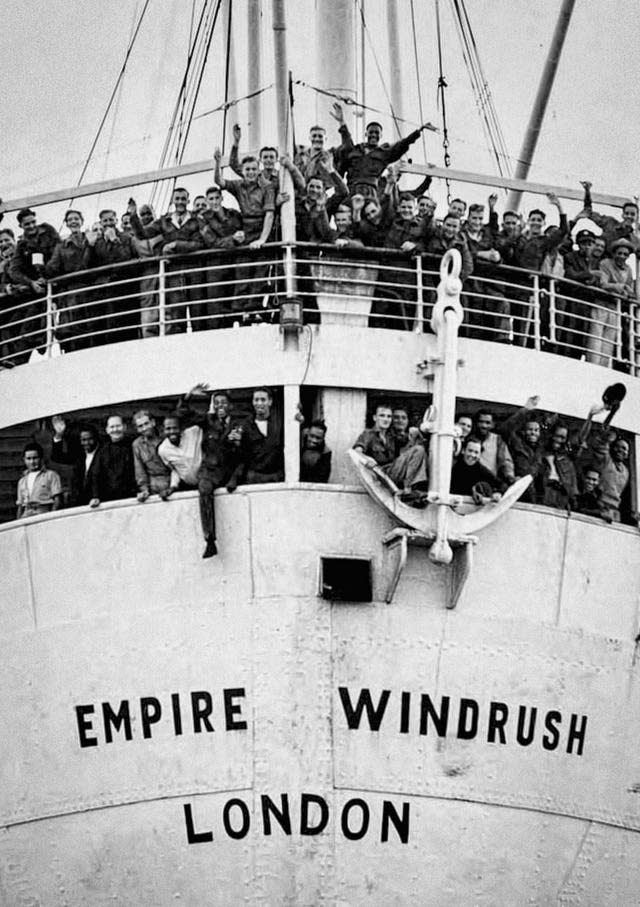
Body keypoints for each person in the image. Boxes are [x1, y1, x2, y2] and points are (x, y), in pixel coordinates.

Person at [176, 384, 244, 558]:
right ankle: (210, 540)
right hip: (210, 470)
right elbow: (184, 414)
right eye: (217, 403)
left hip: (229, 471)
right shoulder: (208, 421)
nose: (220, 406)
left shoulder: (240, 423)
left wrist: (237, 443)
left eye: (224, 403)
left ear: (230, 406)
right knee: (204, 489)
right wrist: (188, 397)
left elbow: (245, 451)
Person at [129, 189, 204, 332]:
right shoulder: (164, 221)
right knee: (176, 316)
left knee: (198, 313)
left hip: (195, 271)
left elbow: (200, 244)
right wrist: (133, 216)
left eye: (183, 199)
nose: (180, 202)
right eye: (177, 199)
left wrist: (176, 245)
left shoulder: (197, 220)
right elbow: (142, 234)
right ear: (173, 201)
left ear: (188, 201)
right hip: (173, 273)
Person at [214, 148, 276, 317]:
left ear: (258, 170)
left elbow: (269, 214)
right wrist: (218, 162)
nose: (250, 172)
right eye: (247, 169)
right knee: (242, 269)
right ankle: (239, 310)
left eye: (254, 169)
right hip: (246, 229)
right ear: (243, 171)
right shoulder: (238, 185)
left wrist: (262, 239)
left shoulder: (267, 187)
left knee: (260, 272)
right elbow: (219, 182)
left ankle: (253, 309)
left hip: (262, 228)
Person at [8, 207, 60, 359]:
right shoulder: (22, 245)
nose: (31, 226)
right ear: (21, 226)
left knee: (50, 322)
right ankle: (18, 359)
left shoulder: (48, 231)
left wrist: (48, 272)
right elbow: (14, 270)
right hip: (38, 291)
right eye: (27, 224)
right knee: (27, 323)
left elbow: (59, 251)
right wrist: (31, 283)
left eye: (33, 222)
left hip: (55, 282)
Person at [335, 119, 431, 198]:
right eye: (370, 132)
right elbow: (347, 141)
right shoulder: (355, 150)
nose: (373, 135)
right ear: (366, 134)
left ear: (381, 136)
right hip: (352, 190)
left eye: (377, 132)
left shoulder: (384, 154)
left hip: (371, 193)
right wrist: (342, 121)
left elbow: (403, 144)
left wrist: (419, 130)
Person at [353, 402, 428, 503]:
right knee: (418, 450)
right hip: (379, 476)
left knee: (418, 449)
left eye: (389, 416)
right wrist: (368, 460)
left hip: (390, 474)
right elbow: (357, 452)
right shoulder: (368, 434)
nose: (386, 419)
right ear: (375, 418)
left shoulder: (391, 436)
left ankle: (410, 489)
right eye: (382, 416)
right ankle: (408, 489)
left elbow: (410, 440)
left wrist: (416, 430)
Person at [86, 208, 138, 343]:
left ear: (116, 220)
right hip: (103, 290)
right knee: (102, 327)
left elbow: (125, 259)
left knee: (122, 327)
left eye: (111, 220)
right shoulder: (97, 242)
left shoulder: (126, 238)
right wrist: (90, 246)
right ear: (101, 223)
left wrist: (115, 240)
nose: (108, 223)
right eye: (105, 221)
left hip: (122, 288)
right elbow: (87, 265)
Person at [46, 209, 92, 350]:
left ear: (82, 221)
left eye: (76, 218)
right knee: (73, 325)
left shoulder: (91, 238)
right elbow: (52, 268)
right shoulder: (62, 246)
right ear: (66, 224)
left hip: (92, 287)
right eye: (70, 219)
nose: (73, 221)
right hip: (72, 291)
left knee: (92, 323)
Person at [199, 185, 245, 327]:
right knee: (215, 304)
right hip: (215, 266)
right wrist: (232, 240)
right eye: (211, 199)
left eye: (217, 198)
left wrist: (240, 236)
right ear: (207, 200)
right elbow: (211, 241)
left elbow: (242, 229)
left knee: (234, 301)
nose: (214, 202)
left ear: (222, 198)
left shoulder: (234, 214)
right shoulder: (203, 218)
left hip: (233, 264)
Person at [499, 395, 544, 502]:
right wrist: (525, 409)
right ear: (523, 431)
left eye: (536, 430)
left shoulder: (540, 451)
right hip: (515, 488)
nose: (533, 432)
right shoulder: (517, 443)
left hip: (531, 493)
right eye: (530, 429)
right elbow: (505, 429)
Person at [236, 387, 284, 484]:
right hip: (254, 477)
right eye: (256, 400)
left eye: (263, 400)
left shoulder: (279, 423)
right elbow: (242, 454)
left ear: (270, 402)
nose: (259, 403)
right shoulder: (246, 425)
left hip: (275, 477)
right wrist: (237, 443)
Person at [129, 203, 163, 338]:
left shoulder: (162, 231)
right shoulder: (134, 239)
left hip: (163, 272)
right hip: (147, 278)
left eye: (149, 213)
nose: (146, 217)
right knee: (148, 314)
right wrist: (133, 215)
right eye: (143, 214)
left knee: (167, 310)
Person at [50, 419, 101, 506]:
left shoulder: (103, 454)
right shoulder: (79, 456)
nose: (87, 443)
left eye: (90, 439)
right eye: (83, 440)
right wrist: (59, 435)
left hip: (99, 501)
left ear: (96, 438)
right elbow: (57, 457)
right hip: (80, 502)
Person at [89, 415, 136, 508]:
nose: (115, 429)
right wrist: (95, 496)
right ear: (107, 430)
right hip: (108, 499)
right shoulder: (102, 450)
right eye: (112, 427)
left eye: (118, 426)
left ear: (124, 427)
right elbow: (95, 474)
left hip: (131, 496)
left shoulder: (133, 445)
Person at [157, 413, 203, 495]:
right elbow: (175, 470)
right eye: (168, 429)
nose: (172, 432)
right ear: (163, 430)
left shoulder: (194, 432)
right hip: (188, 486)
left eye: (175, 428)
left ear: (181, 428)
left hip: (206, 481)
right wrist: (173, 486)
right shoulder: (163, 450)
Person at [132, 409, 171, 502]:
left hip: (171, 481)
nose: (144, 428)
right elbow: (139, 470)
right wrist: (144, 490)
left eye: (146, 423)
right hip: (153, 485)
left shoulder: (166, 437)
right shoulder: (137, 444)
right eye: (140, 426)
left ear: (153, 422)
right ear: (137, 429)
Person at [16, 442, 62, 519]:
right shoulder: (22, 481)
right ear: (24, 460)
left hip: (44, 513)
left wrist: (52, 517)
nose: (32, 462)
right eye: (28, 459)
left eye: (35, 458)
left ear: (41, 458)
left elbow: (57, 500)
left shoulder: (51, 475)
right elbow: (20, 505)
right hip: (27, 514)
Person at [537, 423, 577, 511]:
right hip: (540, 505)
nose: (559, 440)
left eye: (562, 438)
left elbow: (573, 491)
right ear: (551, 435)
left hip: (560, 507)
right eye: (557, 436)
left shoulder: (568, 463)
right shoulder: (539, 455)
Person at [450, 436, 502, 503]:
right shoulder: (453, 466)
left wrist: (498, 493)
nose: (472, 455)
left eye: (476, 452)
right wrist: (473, 491)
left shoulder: (480, 469)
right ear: (463, 450)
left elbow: (501, 484)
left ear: (480, 454)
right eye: (470, 451)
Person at [473, 409, 515, 486]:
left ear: (493, 424)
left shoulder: (498, 440)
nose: (484, 425)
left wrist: (510, 476)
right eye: (481, 422)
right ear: (476, 423)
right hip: (471, 481)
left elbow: (506, 461)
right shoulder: (469, 438)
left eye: (487, 423)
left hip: (490, 483)